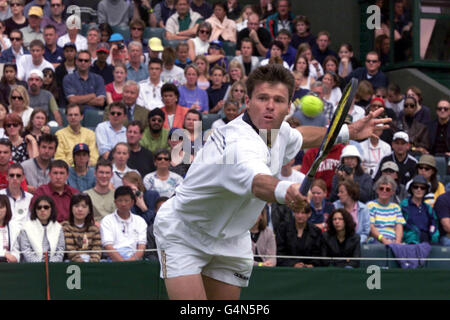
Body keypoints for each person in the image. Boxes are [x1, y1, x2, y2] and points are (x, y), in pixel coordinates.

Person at [153, 64, 389, 300]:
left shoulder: (278, 131)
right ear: (247, 100)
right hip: (185, 231)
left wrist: (347, 131)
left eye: (278, 100)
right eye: (262, 98)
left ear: (289, 106)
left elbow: (300, 137)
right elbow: (257, 181)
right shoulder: (238, 143)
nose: (270, 106)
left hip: (232, 236)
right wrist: (286, 190)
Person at [100, 185, 147, 261]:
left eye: (126, 200)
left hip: (134, 260)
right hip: (113, 260)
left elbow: (141, 247)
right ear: (115, 202)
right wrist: (123, 263)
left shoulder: (140, 221)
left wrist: (130, 262)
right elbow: (108, 246)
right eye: (120, 200)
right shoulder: (107, 220)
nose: (123, 204)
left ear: (132, 202)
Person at [15, 195, 65, 262]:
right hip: (32, 267)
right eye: (39, 207)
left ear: (51, 209)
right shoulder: (26, 227)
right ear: (35, 210)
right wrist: (40, 265)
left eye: (46, 207)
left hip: (53, 266)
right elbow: (26, 251)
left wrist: (51, 264)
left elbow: (60, 251)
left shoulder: (58, 227)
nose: (42, 210)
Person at [275, 200, 323, 268]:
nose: (300, 216)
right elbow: (279, 253)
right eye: (297, 212)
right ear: (293, 213)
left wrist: (312, 264)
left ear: (309, 214)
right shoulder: (283, 229)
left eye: (303, 213)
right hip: (287, 269)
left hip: (309, 270)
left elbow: (318, 254)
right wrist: (293, 264)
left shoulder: (316, 231)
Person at [62, 193, 102, 262]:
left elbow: (97, 249)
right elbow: (70, 250)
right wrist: (82, 263)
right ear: (71, 208)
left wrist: (91, 263)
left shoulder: (94, 229)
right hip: (73, 261)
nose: (80, 209)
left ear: (89, 210)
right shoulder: (66, 227)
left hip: (91, 263)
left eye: (84, 206)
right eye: (76, 206)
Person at [400, 175, 439, 244]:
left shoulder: (428, 208)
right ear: (411, 189)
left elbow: (434, 225)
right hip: (409, 242)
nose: (419, 189)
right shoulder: (404, 206)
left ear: (426, 190)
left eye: (422, 188)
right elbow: (399, 226)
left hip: (426, 241)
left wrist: (433, 235)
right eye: (416, 187)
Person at [367, 175, 406, 244]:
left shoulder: (396, 207)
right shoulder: (370, 205)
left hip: (393, 240)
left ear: (392, 192)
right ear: (377, 190)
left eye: (387, 189)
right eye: (381, 188)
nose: (384, 191)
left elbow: (399, 226)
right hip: (377, 239)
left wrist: (397, 242)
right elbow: (371, 227)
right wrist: (384, 240)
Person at [333, 179, 370, 244]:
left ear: (350, 193)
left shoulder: (364, 209)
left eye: (342, 192)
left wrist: (354, 242)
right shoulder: (335, 206)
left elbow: (365, 232)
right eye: (338, 192)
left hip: (358, 243)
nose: (338, 195)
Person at [0, 163, 32, 228]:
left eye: (18, 175)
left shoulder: (30, 198)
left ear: (23, 178)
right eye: (12, 175)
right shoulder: (0, 195)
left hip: (24, 235)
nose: (15, 178)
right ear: (7, 177)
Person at [0, 194, 20, 262]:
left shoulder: (14, 227)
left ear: (7, 209)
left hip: (9, 266)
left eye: (1, 207)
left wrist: (15, 257)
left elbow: (16, 249)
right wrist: (4, 254)